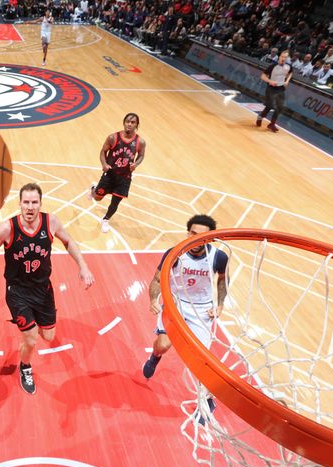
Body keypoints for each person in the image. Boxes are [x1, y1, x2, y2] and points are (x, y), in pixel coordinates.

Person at [0, 183, 95, 394]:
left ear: (40, 204)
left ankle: (35, 323)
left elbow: (69, 241)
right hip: (17, 292)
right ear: (19, 204)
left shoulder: (50, 222)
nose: (30, 207)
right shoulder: (8, 228)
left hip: (43, 290)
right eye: (26, 202)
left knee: (49, 337)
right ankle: (25, 366)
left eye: (34, 202)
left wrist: (83, 266)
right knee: (32, 338)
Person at [142, 214, 228, 385]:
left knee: (202, 360)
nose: (194, 239)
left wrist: (219, 305)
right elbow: (159, 279)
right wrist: (153, 300)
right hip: (176, 304)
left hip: (202, 308)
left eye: (200, 236)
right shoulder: (174, 253)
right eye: (191, 233)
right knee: (163, 345)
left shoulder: (219, 257)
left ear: (209, 238)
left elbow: (222, 281)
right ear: (187, 233)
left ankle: (206, 401)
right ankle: (155, 356)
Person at [87, 113, 146, 233]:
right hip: (110, 174)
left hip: (124, 178)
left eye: (133, 122)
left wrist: (136, 164)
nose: (129, 124)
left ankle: (106, 219)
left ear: (137, 125)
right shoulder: (113, 138)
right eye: (127, 121)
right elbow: (103, 152)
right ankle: (93, 188)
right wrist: (104, 164)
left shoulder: (140, 142)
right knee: (97, 198)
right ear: (124, 123)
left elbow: (141, 156)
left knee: (115, 202)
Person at [256, 49, 292, 133]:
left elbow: (290, 73)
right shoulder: (272, 66)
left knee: (280, 107)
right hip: (271, 89)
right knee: (270, 106)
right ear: (280, 57)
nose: (283, 58)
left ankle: (272, 124)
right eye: (282, 57)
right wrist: (270, 81)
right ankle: (260, 117)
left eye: (285, 57)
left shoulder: (288, 66)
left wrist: (287, 81)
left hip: (281, 88)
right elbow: (262, 76)